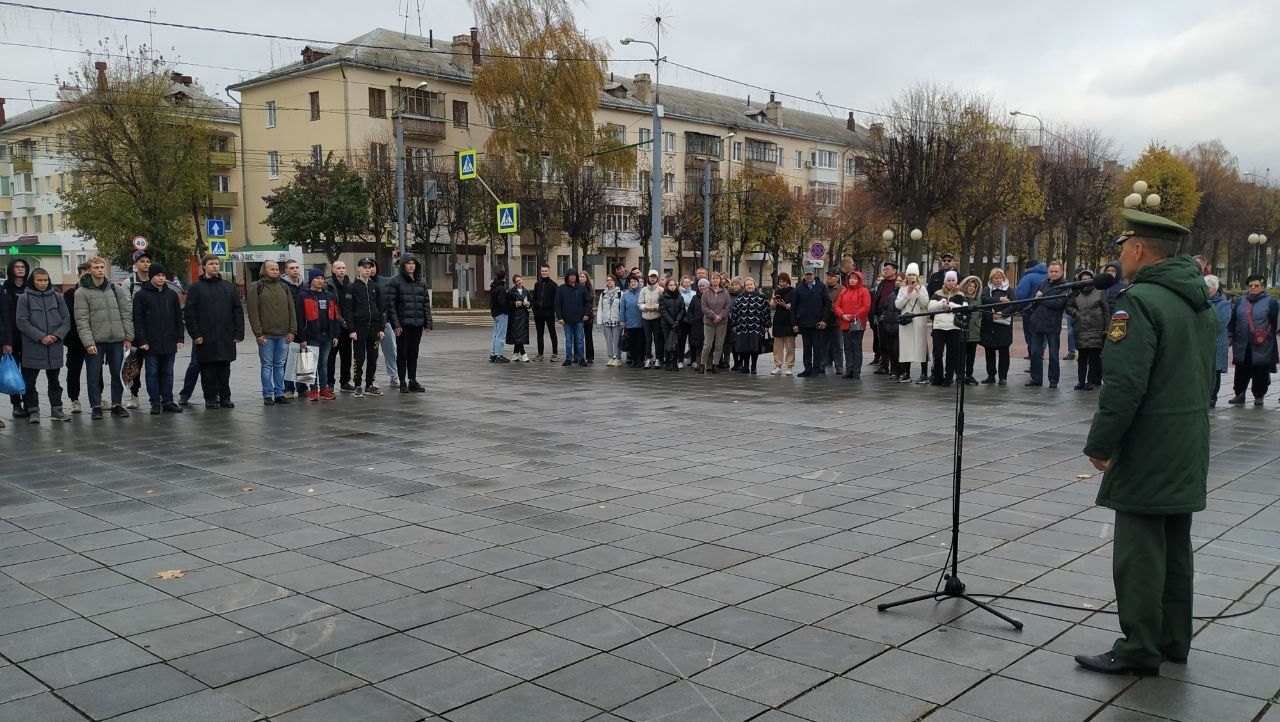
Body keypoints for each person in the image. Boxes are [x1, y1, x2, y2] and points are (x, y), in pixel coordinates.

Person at [1076, 209, 1216, 677]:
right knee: (1175, 546)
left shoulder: (1138, 302)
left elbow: (1124, 385)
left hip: (1149, 442)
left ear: (1138, 250)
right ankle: (1173, 639)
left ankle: (1139, 646)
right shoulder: (1197, 299)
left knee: (1138, 551)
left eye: (1123, 246)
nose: (1120, 255)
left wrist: (1101, 443)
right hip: (1187, 438)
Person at [74, 257, 134, 420]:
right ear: (89, 270)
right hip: (96, 341)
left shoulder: (115, 288)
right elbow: (81, 320)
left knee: (118, 373)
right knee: (93, 375)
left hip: (116, 339)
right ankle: (96, 406)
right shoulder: (82, 292)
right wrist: (88, 342)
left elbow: (126, 313)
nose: (100, 270)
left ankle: (117, 404)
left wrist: (128, 336)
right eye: (96, 267)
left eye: (102, 267)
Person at [183, 255, 243, 410]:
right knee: (207, 369)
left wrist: (238, 333)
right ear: (204, 266)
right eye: (211, 264)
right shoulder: (196, 288)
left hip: (225, 335)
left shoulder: (228, 286)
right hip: (205, 336)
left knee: (225, 368)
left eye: (217, 264)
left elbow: (237, 310)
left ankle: (225, 397)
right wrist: (195, 334)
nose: (215, 266)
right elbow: (190, 313)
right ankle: (210, 398)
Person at [15, 267, 71, 423]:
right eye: (39, 280)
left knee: (55, 381)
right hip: (33, 347)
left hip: (54, 346)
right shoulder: (24, 298)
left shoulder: (58, 297)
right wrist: (40, 337)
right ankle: (33, 410)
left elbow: (66, 319)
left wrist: (56, 335)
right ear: (33, 281)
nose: (43, 283)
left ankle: (57, 409)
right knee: (30, 382)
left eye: (45, 280)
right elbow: (22, 322)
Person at [130, 264, 185, 414]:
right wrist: (142, 340)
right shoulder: (141, 295)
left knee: (168, 372)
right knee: (152, 372)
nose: (161, 278)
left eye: (163, 275)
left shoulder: (171, 295)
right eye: (158, 275)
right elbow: (138, 320)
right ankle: (155, 401)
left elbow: (178, 318)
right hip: (151, 342)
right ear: (151, 276)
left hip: (169, 340)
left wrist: (180, 337)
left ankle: (167, 400)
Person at [246, 260, 297, 406]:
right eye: (272, 269)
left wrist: (292, 330)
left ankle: (279, 393)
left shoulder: (284, 286)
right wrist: (258, 333)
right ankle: (268, 394)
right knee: (267, 365)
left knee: (280, 365)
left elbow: (291, 310)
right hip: (266, 335)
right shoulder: (257, 287)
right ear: (264, 270)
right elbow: (253, 312)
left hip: (283, 334)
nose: (275, 271)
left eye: (276, 269)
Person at [1227, 274, 1278, 406]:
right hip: (1242, 342)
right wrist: (1230, 335)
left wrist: (1269, 336)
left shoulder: (1271, 302)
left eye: (1257, 285)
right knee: (1240, 370)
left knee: (1260, 371)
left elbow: (1275, 323)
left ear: (1263, 287)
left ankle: (1259, 395)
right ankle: (1239, 394)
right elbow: (1233, 319)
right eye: (1251, 286)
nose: (1253, 288)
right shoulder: (1240, 301)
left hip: (1262, 343)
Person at [386, 254, 432, 391]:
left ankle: (413, 380)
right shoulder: (395, 281)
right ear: (403, 265)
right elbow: (391, 305)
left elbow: (425, 303)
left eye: (413, 263)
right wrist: (396, 324)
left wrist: (428, 322)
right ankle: (402, 382)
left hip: (417, 324)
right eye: (408, 263)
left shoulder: (421, 282)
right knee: (402, 353)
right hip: (403, 325)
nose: (411, 265)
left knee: (413, 353)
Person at [296, 268, 341, 401]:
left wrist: (335, 335)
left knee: (323, 363)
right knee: (309, 364)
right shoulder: (303, 296)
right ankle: (313, 389)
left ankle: (323, 388)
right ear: (311, 280)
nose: (320, 281)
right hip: (310, 336)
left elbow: (335, 316)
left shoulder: (329, 296)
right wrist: (302, 338)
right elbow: (299, 318)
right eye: (317, 278)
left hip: (327, 336)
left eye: (322, 278)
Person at [344, 258, 385, 397]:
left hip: (374, 327)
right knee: (359, 357)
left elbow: (380, 309)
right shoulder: (352, 286)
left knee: (373, 356)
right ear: (359, 269)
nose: (367, 270)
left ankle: (369, 384)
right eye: (364, 267)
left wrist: (381, 328)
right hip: (359, 328)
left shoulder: (375, 286)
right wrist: (352, 330)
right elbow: (348, 310)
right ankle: (358, 385)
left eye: (369, 267)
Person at [1026, 262, 1070, 388]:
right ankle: (1036, 378)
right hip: (1037, 322)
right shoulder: (1042, 283)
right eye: (1051, 271)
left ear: (1061, 272)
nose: (1054, 274)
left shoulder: (1064, 286)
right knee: (1035, 353)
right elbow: (1035, 300)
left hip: (1052, 324)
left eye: (1056, 271)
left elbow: (1058, 303)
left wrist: (1042, 299)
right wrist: (1036, 302)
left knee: (1053, 354)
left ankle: (1053, 380)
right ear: (1048, 272)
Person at [1067, 269, 1108, 391]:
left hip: (1096, 328)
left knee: (1094, 358)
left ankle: (1090, 381)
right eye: (1083, 279)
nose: (1085, 281)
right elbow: (1068, 306)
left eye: (1088, 279)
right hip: (1081, 328)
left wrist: (1106, 328)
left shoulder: (1099, 292)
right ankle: (1080, 381)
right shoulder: (1075, 293)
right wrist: (1076, 313)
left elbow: (1105, 310)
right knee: (1082, 358)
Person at [62, 262, 93, 413]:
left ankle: (98, 397)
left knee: (95, 371)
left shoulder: (97, 292)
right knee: (73, 371)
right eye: (84, 274)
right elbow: (67, 317)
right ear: (79, 275)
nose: (87, 277)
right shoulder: (69, 294)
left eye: (90, 274)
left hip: (94, 339)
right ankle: (74, 399)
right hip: (75, 341)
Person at [927, 270, 967, 386]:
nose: (951, 283)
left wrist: (952, 306)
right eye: (948, 280)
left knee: (952, 354)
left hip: (954, 328)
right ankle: (937, 376)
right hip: (939, 327)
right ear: (945, 282)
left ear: (956, 282)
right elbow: (930, 308)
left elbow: (964, 308)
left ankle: (948, 377)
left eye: (953, 280)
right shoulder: (938, 293)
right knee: (938, 353)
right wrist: (941, 305)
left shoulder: (960, 295)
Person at [123, 251, 151, 409]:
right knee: (134, 364)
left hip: (153, 330)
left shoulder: (156, 280)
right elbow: (127, 307)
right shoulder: (129, 282)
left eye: (148, 261)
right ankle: (134, 395)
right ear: (136, 264)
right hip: (135, 330)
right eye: (142, 261)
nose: (145, 264)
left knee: (154, 365)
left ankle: (158, 394)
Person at [895, 263, 930, 384]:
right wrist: (907, 293)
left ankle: (924, 374)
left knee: (921, 346)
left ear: (917, 276)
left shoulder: (922, 288)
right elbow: (898, 305)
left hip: (919, 322)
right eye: (909, 274)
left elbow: (925, 303)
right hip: (906, 322)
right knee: (906, 347)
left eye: (914, 274)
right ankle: (906, 373)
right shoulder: (902, 289)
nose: (911, 277)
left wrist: (917, 291)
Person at [979, 268, 1015, 385]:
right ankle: (991, 375)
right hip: (989, 326)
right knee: (989, 352)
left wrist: (1002, 314)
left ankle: (1003, 376)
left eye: (1000, 278)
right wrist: (999, 300)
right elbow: (984, 300)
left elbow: (1014, 305)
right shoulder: (986, 290)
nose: (998, 280)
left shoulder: (1009, 290)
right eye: (996, 278)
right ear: (991, 279)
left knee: (1004, 352)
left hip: (1004, 326)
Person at [3, 257, 30, 418]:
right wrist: (6, 339)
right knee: (13, 371)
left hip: (28, 336)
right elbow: (5, 314)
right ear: (11, 269)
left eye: (22, 266)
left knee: (28, 372)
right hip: (12, 336)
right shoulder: (6, 288)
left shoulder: (29, 287)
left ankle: (29, 402)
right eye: (17, 267)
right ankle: (16, 404)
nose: (20, 269)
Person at [793, 269, 831, 377]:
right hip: (804, 323)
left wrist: (824, 320)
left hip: (817, 323)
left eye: (810, 274)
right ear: (804, 276)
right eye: (807, 275)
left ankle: (816, 368)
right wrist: (795, 323)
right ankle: (807, 368)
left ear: (814, 275)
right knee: (807, 347)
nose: (809, 277)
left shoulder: (821, 287)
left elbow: (827, 304)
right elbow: (794, 307)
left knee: (817, 347)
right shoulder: (799, 288)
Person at [367, 259, 399, 388]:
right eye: (368, 267)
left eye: (373, 266)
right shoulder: (358, 284)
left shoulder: (385, 282)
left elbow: (389, 301)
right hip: (368, 325)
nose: (371, 269)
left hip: (385, 322)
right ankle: (370, 377)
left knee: (390, 349)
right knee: (369, 353)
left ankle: (393, 375)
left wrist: (387, 316)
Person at [833, 271, 871, 380]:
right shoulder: (844, 291)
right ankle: (849, 369)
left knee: (856, 347)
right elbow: (837, 305)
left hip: (857, 323)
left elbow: (866, 306)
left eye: (855, 278)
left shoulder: (864, 291)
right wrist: (842, 314)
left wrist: (854, 316)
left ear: (859, 280)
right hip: (845, 322)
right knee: (847, 347)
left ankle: (856, 371)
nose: (852, 280)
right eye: (850, 278)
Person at [325, 261, 355, 392]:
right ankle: (329, 382)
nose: (341, 270)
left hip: (348, 325)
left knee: (347, 355)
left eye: (343, 268)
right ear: (333, 269)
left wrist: (350, 322)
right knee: (331, 355)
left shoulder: (351, 284)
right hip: (334, 324)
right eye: (338, 268)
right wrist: (340, 320)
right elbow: (330, 306)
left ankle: (345, 381)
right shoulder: (328, 285)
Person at [730, 277, 769, 375]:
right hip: (742, 326)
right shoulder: (741, 297)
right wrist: (734, 323)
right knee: (744, 348)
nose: (749, 286)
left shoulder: (761, 297)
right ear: (744, 286)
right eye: (747, 285)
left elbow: (766, 311)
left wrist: (766, 325)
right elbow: (735, 311)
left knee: (754, 348)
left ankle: (754, 367)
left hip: (756, 326)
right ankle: (745, 366)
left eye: (751, 284)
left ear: (754, 285)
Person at [554, 267, 591, 367]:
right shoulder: (561, 289)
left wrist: (586, 314)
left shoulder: (582, 288)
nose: (572, 277)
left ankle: (581, 358)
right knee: (568, 340)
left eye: (574, 276)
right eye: (571, 276)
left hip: (579, 318)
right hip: (566, 320)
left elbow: (588, 302)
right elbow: (557, 304)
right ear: (567, 277)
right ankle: (568, 358)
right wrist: (559, 317)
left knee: (579, 340)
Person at [871, 263, 902, 380]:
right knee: (882, 343)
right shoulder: (883, 283)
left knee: (894, 345)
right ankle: (884, 365)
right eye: (884, 269)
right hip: (881, 316)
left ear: (895, 270)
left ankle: (896, 368)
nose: (885, 271)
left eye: (887, 269)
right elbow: (878, 297)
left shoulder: (897, 283)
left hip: (894, 317)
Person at [280, 259, 306, 398]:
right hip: (288, 326)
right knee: (287, 358)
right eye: (291, 268)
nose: (295, 270)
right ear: (286, 270)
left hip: (304, 325)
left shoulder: (305, 284)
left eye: (297, 267)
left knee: (304, 356)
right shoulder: (282, 285)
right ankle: (288, 388)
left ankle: (303, 387)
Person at [1206, 275, 1231, 407]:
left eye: (1209, 288)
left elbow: (1221, 323)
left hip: (1217, 341)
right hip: (1203, 341)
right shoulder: (1200, 300)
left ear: (1215, 289)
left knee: (1215, 369)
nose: (1207, 290)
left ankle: (1213, 396)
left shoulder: (1224, 304)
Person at [1016, 259, 1048, 355]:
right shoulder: (1048, 276)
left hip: (1030, 310)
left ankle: (1033, 356)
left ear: (1027, 268)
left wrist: (1019, 308)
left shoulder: (1028, 277)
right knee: (1043, 334)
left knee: (1031, 334)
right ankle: (1041, 351)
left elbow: (1021, 295)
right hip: (1047, 310)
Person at [700, 274, 730, 374]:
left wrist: (720, 316)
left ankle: (715, 364)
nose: (715, 280)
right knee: (707, 344)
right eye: (713, 278)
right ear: (710, 280)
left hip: (722, 322)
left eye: (717, 278)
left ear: (720, 280)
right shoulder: (706, 293)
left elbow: (727, 306)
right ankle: (702, 363)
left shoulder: (725, 293)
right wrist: (713, 316)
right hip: (709, 322)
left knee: (719, 344)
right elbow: (704, 307)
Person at [770, 273, 797, 376]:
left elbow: (794, 306)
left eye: (783, 281)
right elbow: (772, 306)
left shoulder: (793, 291)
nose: (781, 283)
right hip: (778, 320)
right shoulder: (777, 291)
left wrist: (785, 305)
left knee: (790, 345)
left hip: (789, 320)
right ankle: (778, 365)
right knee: (777, 346)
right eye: (780, 281)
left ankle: (789, 366)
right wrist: (774, 303)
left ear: (788, 281)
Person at [531, 264, 559, 361]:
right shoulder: (537, 284)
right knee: (539, 334)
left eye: (545, 271)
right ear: (540, 271)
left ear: (549, 271)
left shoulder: (553, 285)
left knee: (552, 332)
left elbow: (556, 300)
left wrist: (554, 312)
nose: (544, 272)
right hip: (538, 313)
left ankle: (555, 353)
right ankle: (540, 354)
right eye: (542, 271)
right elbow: (534, 298)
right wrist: (535, 310)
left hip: (549, 313)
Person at [959, 275, 983, 384]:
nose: (971, 288)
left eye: (974, 286)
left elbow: (980, 315)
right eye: (969, 286)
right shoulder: (961, 299)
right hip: (962, 330)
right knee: (961, 355)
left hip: (974, 331)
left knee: (971, 355)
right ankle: (960, 375)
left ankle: (969, 374)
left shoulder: (978, 300)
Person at [658, 278, 686, 371]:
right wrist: (671, 322)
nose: (672, 287)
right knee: (668, 343)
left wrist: (677, 320)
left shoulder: (680, 296)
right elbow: (663, 311)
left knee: (676, 343)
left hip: (678, 324)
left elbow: (682, 309)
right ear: (667, 286)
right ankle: (668, 362)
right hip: (667, 324)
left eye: (674, 285)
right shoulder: (663, 297)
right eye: (670, 285)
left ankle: (675, 362)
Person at [638, 269, 663, 369]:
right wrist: (645, 307)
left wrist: (655, 307)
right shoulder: (644, 290)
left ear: (657, 278)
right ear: (648, 277)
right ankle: (648, 358)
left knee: (657, 339)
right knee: (648, 339)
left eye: (654, 277)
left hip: (657, 317)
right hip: (646, 317)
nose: (652, 278)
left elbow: (662, 303)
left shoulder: (661, 290)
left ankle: (658, 359)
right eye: (651, 277)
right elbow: (639, 303)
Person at [598, 275, 623, 366]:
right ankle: (610, 357)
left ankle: (617, 358)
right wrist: (600, 321)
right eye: (607, 280)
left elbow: (622, 308)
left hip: (617, 320)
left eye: (611, 280)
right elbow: (600, 308)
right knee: (608, 340)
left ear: (615, 281)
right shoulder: (603, 294)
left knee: (616, 340)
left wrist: (623, 320)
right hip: (606, 320)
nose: (609, 282)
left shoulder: (620, 293)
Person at [507, 274, 532, 362]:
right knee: (518, 334)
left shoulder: (526, 291)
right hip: (515, 316)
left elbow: (530, 302)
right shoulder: (511, 292)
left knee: (521, 334)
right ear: (514, 283)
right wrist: (515, 303)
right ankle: (524, 354)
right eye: (517, 281)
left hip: (524, 315)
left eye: (520, 280)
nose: (519, 282)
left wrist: (528, 304)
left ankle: (515, 354)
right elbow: (508, 303)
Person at [822, 269, 843, 375]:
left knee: (838, 345)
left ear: (837, 278)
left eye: (832, 276)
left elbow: (842, 304)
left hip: (836, 321)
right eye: (828, 276)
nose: (829, 278)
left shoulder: (841, 289)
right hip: (823, 320)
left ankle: (839, 366)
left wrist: (832, 308)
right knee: (823, 344)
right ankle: (822, 364)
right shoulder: (822, 288)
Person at [621, 276, 645, 368]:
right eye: (631, 282)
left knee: (641, 342)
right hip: (629, 323)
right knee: (632, 343)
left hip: (641, 322)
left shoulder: (642, 292)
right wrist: (622, 321)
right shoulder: (625, 294)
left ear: (638, 283)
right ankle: (634, 360)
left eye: (635, 281)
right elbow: (622, 309)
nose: (633, 283)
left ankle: (640, 360)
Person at [489, 269, 510, 363]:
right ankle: (499, 355)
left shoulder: (493, 286)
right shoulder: (501, 288)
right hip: (501, 313)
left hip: (495, 313)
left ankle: (492, 354)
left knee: (495, 335)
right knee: (501, 336)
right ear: (504, 277)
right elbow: (502, 302)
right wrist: (507, 310)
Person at [686, 278, 705, 369]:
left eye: (704, 286)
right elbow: (690, 311)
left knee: (707, 344)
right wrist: (692, 320)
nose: (702, 288)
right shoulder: (695, 297)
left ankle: (706, 362)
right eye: (700, 286)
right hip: (696, 325)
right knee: (697, 344)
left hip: (708, 324)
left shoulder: (711, 296)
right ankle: (697, 362)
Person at [581, 272, 596, 364]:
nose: (581, 278)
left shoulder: (589, 289)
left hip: (588, 316)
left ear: (587, 278)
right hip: (578, 315)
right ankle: (578, 355)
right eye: (580, 276)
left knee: (588, 336)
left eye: (583, 277)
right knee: (578, 337)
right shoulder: (576, 288)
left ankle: (590, 356)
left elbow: (589, 302)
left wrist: (586, 314)